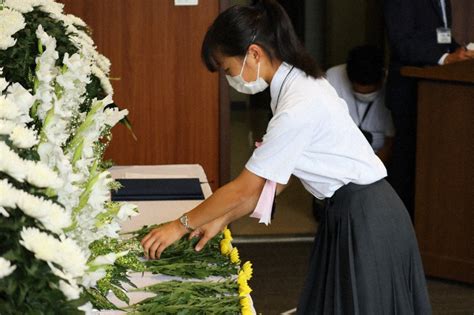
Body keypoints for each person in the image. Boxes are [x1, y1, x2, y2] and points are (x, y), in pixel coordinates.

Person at [141, 1, 432, 313]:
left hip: (366, 217)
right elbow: (272, 183)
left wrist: (180, 225)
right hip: (358, 211)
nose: (229, 79)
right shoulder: (297, 84)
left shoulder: (297, 104)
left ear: (253, 53)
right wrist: (221, 219)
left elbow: (245, 187)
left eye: (227, 69)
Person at [383, 0, 474, 220]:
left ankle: (423, 225)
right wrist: (444, 58)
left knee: (430, 164)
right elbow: (401, 41)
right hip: (409, 89)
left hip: (438, 94)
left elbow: (439, 37)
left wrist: (459, 51)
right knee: (407, 161)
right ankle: (395, 223)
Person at [326, 45, 394, 164]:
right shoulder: (333, 78)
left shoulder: (391, 86)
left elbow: (390, 142)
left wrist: (372, 172)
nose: (365, 96)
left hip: (376, 159)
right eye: (358, 91)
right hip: (338, 156)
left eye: (371, 92)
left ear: (382, 78)